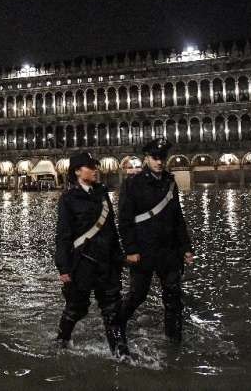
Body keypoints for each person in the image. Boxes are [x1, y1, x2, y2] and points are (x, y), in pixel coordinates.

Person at [118, 138, 195, 343]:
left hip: (169, 251)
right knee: (138, 294)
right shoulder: (132, 183)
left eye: (162, 158)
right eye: (155, 158)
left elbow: (178, 217)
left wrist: (186, 247)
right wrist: (131, 250)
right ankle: (117, 324)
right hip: (144, 250)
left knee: (173, 296)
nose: (159, 162)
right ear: (146, 159)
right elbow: (125, 221)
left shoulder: (170, 183)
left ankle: (174, 341)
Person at [54, 151, 128, 357]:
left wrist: (119, 257)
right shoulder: (68, 199)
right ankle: (61, 342)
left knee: (113, 310)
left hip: (107, 263)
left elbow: (111, 228)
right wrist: (64, 267)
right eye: (90, 167)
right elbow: (63, 235)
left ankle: (120, 353)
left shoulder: (102, 194)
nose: (95, 170)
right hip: (83, 264)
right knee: (76, 308)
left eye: (95, 166)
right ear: (77, 171)